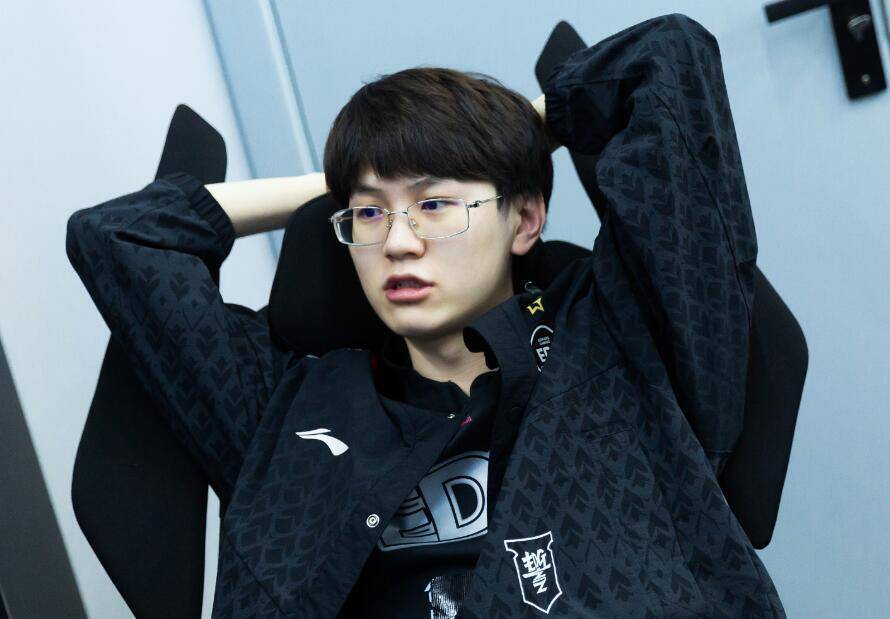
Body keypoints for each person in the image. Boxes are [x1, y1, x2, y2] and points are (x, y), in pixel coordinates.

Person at [66, 12, 786, 618]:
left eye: (435, 203)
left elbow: (667, 58)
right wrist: (335, 186)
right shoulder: (288, 404)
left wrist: (516, 136)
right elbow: (119, 236)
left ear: (526, 219)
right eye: (369, 214)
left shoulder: (619, 330)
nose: (398, 242)